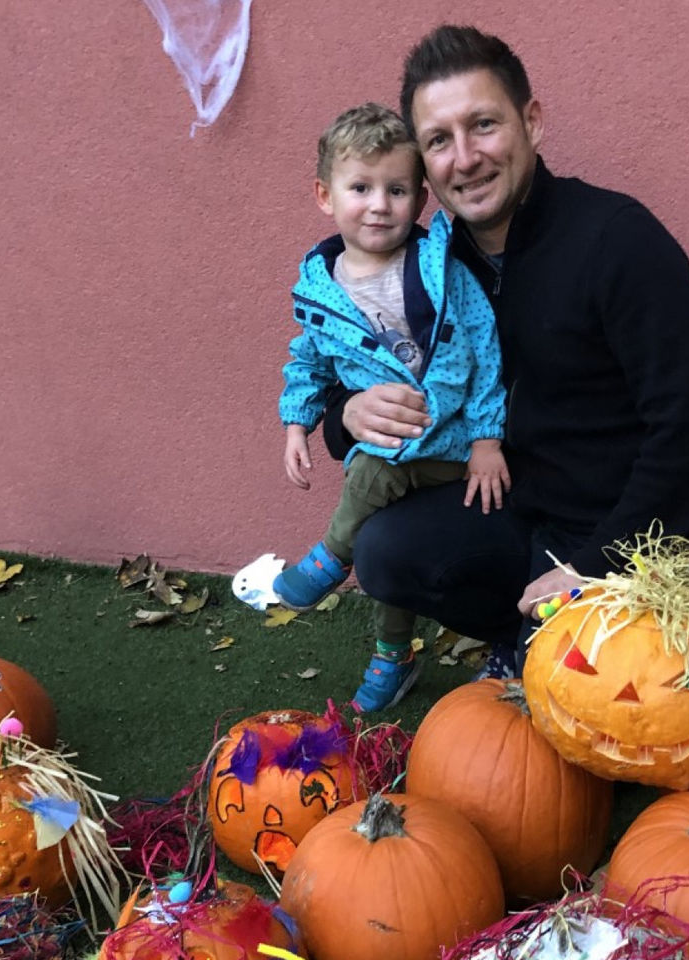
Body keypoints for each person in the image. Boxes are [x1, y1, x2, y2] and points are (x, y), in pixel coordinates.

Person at [321, 25, 689, 678]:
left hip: (629, 538)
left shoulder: (619, 242)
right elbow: (351, 367)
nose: (465, 157)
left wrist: (596, 568)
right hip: (511, 513)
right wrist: (346, 414)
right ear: (424, 163)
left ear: (531, 122)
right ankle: (520, 636)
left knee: (593, 723)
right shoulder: (429, 267)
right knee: (385, 551)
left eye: (483, 125)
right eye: (438, 141)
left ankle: (551, 641)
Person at [273, 102, 510, 711]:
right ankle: (392, 654)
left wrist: (487, 439)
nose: (380, 204)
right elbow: (309, 362)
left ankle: (331, 557)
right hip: (395, 446)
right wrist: (298, 424)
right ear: (325, 196)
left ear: (421, 198)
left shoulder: (437, 267)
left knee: (369, 473)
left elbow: (484, 347)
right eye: (361, 188)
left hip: (452, 445)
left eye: (397, 189)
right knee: (384, 531)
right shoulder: (321, 291)